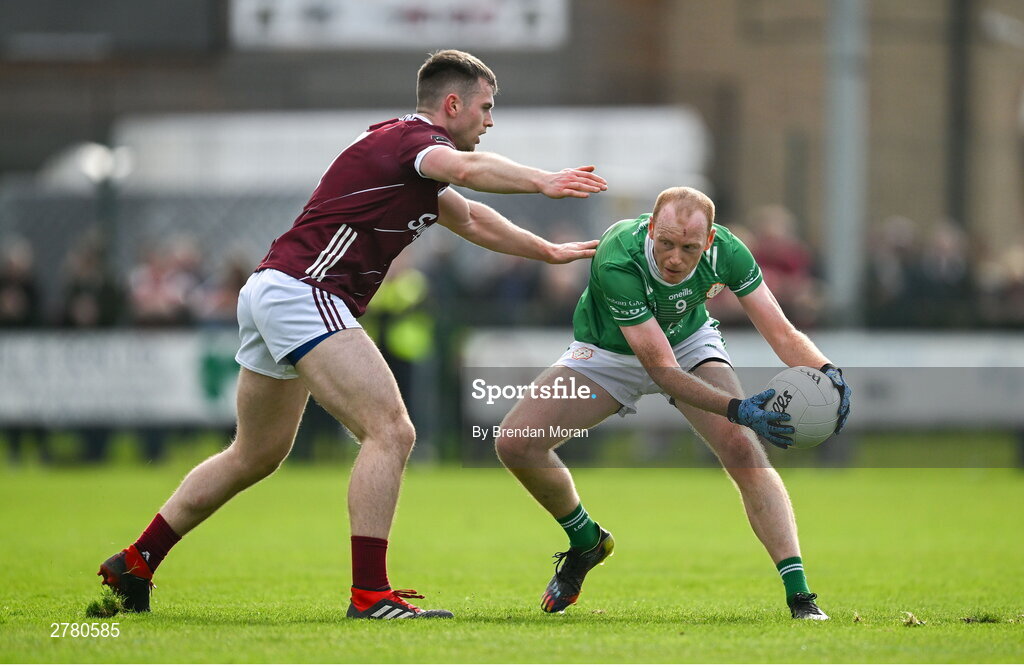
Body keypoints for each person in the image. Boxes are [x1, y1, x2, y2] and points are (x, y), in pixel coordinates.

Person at [97, 49, 606, 620]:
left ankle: (136, 561)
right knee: (391, 430)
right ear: (453, 104)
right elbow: (465, 172)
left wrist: (546, 251)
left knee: (255, 453)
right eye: (486, 108)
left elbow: (470, 217)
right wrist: (545, 181)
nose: (490, 122)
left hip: (276, 289)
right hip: (304, 291)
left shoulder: (407, 156)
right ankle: (371, 595)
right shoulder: (413, 141)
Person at [493, 186, 851, 620]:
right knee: (515, 442)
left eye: (689, 248)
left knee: (742, 449)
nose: (675, 259)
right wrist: (738, 409)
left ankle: (801, 597)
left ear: (710, 242)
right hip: (611, 353)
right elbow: (661, 371)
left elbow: (781, 333)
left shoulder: (730, 253)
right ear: (649, 229)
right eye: (665, 243)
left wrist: (828, 372)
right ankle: (586, 540)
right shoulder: (618, 255)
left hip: (688, 341)